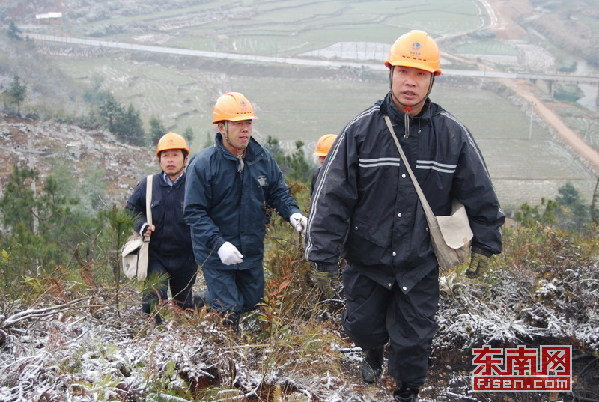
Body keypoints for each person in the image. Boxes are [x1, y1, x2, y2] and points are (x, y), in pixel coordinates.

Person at [305, 30, 505, 401]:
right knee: (363, 326)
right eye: (403, 72)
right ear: (390, 73)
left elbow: (481, 193)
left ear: (432, 80)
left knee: (414, 340)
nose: (410, 82)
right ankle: (371, 350)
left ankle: (408, 391)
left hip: (419, 261)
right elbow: (331, 197)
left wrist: (487, 247)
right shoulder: (360, 131)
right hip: (367, 259)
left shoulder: (452, 135)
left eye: (420, 75)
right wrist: (323, 257)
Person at [183, 92, 307, 329]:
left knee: (252, 303)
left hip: (250, 249)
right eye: (238, 123)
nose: (245, 129)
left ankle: (203, 299)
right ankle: (230, 359)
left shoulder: (261, 158)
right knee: (229, 310)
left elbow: (277, 191)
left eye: (248, 123)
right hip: (216, 253)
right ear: (221, 127)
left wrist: (292, 212)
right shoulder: (204, 164)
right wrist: (220, 245)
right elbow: (194, 212)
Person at [126, 132, 197, 324]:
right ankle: (152, 343)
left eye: (175, 155)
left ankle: (182, 346)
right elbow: (130, 210)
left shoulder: (195, 184)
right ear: (159, 160)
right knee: (152, 304)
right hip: (156, 256)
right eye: (165, 156)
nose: (170, 160)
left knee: (184, 308)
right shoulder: (147, 185)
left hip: (187, 258)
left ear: (185, 159)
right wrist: (142, 226)